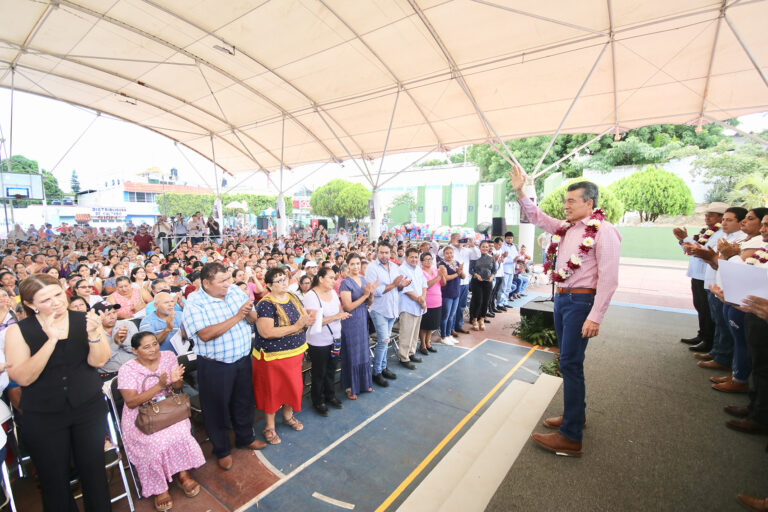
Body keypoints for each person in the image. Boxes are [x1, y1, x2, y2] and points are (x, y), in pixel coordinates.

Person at [510, 166, 621, 457]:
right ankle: (576, 416)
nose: (566, 205)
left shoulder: (604, 232)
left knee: (571, 363)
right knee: (568, 361)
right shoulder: (567, 228)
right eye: (566, 201)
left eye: (572, 201)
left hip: (580, 303)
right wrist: (521, 191)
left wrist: (596, 316)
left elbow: (609, 279)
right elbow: (536, 216)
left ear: (590, 204)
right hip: (562, 299)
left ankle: (570, 437)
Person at [4, 274, 112, 511]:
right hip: (44, 415)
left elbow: (100, 360)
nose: (55, 302)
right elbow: (22, 377)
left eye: (57, 294)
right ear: (31, 305)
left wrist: (94, 333)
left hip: (87, 407)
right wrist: (50, 341)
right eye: (45, 300)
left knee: (94, 473)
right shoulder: (18, 331)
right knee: (54, 480)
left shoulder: (83, 319)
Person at [183, 262, 265, 470]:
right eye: (222, 282)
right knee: (217, 408)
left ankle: (245, 437)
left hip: (242, 359)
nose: (228, 284)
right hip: (215, 366)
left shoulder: (236, 293)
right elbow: (206, 334)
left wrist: (247, 312)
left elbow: (253, 319)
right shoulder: (195, 303)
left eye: (228, 279)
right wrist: (237, 315)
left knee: (243, 401)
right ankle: (222, 450)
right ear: (206, 283)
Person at [117, 331, 205, 512]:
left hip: (168, 408)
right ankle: (159, 488)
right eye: (146, 347)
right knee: (153, 443)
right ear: (135, 351)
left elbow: (177, 388)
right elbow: (131, 402)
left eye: (155, 344)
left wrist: (176, 381)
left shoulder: (168, 356)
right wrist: (159, 385)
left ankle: (183, 474)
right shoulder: (127, 369)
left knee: (181, 432)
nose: (153, 349)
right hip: (141, 416)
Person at [254, 268, 316, 444]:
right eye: (278, 281)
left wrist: (307, 322)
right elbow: (266, 332)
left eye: (284, 279)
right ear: (268, 286)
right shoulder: (265, 304)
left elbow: (303, 319)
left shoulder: (293, 297)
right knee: (272, 391)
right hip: (273, 358)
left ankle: (288, 417)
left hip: (294, 354)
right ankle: (269, 427)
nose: (283, 283)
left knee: (292, 387)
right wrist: (297, 326)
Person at [673, 202, 727, 352]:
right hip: (697, 274)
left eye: (711, 215)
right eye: (706, 214)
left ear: (721, 217)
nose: (707, 217)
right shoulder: (707, 232)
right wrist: (682, 240)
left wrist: (687, 239)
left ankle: (708, 341)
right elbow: (693, 249)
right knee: (700, 307)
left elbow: (704, 251)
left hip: (707, 276)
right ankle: (702, 335)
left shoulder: (721, 234)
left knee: (708, 310)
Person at [303, 267, 350, 416]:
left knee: (331, 368)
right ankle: (318, 400)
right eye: (330, 278)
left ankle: (330, 395)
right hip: (318, 340)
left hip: (335, 337)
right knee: (319, 371)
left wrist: (338, 316)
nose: (333, 281)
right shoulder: (311, 296)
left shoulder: (333, 293)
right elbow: (313, 321)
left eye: (334, 278)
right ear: (321, 278)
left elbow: (339, 311)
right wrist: (335, 317)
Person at [365, 242, 409, 386]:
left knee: (386, 341)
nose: (384, 255)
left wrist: (402, 285)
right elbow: (375, 292)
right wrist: (395, 285)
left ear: (391, 253)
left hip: (392, 309)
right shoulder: (372, 268)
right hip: (379, 310)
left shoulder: (395, 267)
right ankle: (376, 372)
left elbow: (397, 288)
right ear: (377, 253)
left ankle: (383, 367)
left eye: (387, 252)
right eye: (382, 252)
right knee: (383, 342)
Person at [339, 253, 376, 400]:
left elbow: (369, 303)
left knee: (363, 351)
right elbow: (348, 307)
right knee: (352, 353)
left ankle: (363, 383)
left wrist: (370, 295)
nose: (355, 267)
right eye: (352, 264)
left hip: (362, 319)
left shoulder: (363, 279)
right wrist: (365, 296)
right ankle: (350, 387)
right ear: (347, 266)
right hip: (350, 321)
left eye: (358, 264)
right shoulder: (345, 283)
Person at [397, 248, 427, 370]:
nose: (414, 259)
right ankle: (404, 358)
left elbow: (424, 285)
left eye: (416, 257)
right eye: (412, 257)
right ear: (406, 258)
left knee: (415, 332)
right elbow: (406, 290)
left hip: (419, 306)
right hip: (408, 306)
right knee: (406, 333)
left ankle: (411, 353)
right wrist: (420, 300)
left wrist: (422, 299)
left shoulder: (418, 269)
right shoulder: (402, 270)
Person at [95, 301, 139, 379]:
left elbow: (137, 350)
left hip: (136, 369)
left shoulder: (128, 325)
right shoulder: (93, 333)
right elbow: (101, 361)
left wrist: (123, 341)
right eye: (108, 314)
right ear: (98, 317)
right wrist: (115, 342)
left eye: (114, 312)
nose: (113, 317)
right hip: (110, 375)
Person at [419, 252, 445, 355]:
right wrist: (438, 276)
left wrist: (442, 275)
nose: (428, 261)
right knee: (424, 325)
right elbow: (427, 285)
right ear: (421, 262)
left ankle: (428, 343)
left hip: (437, 301)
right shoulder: (421, 272)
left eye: (430, 259)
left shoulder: (435, 270)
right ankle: (422, 345)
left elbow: (443, 283)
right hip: (427, 302)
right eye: (426, 259)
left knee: (432, 325)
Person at [468, 240, 496, 331]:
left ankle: (482, 320)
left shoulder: (491, 258)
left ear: (489, 248)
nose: (485, 248)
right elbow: (470, 270)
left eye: (486, 247)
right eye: (483, 246)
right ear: (479, 248)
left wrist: (491, 277)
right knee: (478, 301)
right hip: (477, 282)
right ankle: (474, 319)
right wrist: (476, 275)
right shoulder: (475, 257)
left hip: (488, 282)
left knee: (486, 301)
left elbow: (494, 270)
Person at [438, 246, 463, 345]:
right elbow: (446, 278)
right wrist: (457, 273)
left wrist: (461, 271)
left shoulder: (456, 263)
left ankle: (449, 335)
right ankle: (443, 336)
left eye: (451, 253)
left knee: (452, 315)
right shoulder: (442, 265)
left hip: (456, 292)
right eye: (447, 253)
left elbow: (463, 276)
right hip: (447, 293)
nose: (449, 255)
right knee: (445, 316)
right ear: (444, 254)